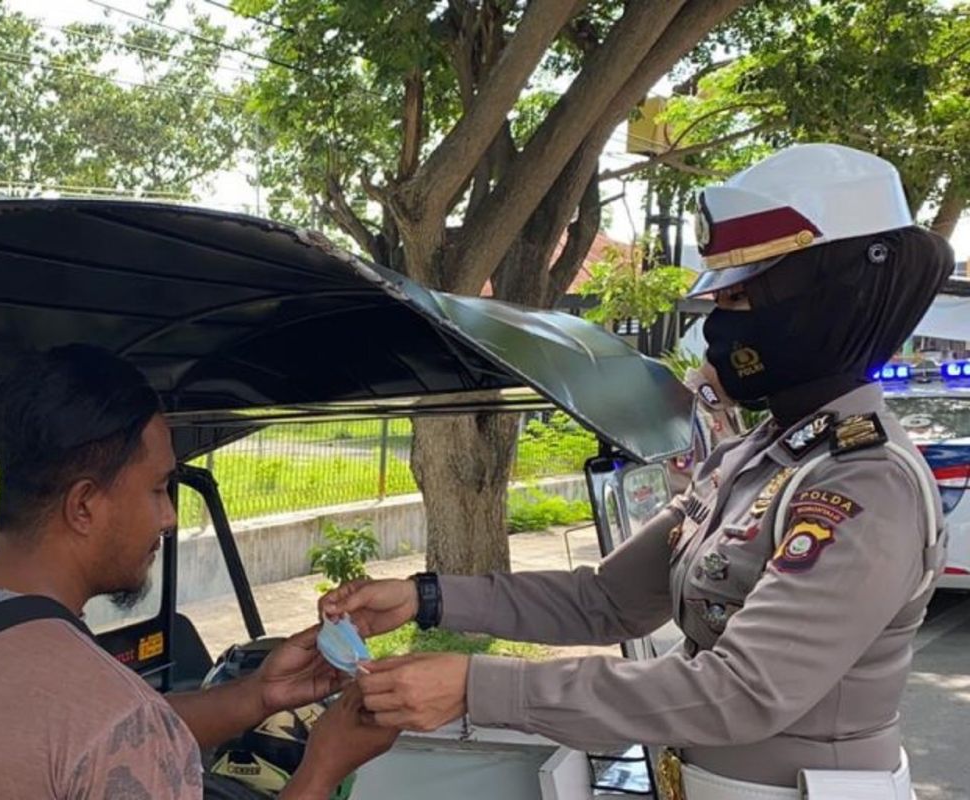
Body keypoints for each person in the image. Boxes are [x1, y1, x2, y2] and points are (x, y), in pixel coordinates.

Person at [321, 144, 954, 800]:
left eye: (741, 300)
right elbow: (605, 601)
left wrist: (477, 687)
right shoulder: (757, 459)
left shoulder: (864, 485)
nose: (716, 328)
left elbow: (738, 693)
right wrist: (426, 597)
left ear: (828, 302)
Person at [0, 345, 396, 799]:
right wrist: (320, 770)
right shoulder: (108, 712)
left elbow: (89, 742)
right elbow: (112, 733)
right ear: (83, 506)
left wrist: (258, 694)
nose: (169, 518)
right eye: (156, 489)